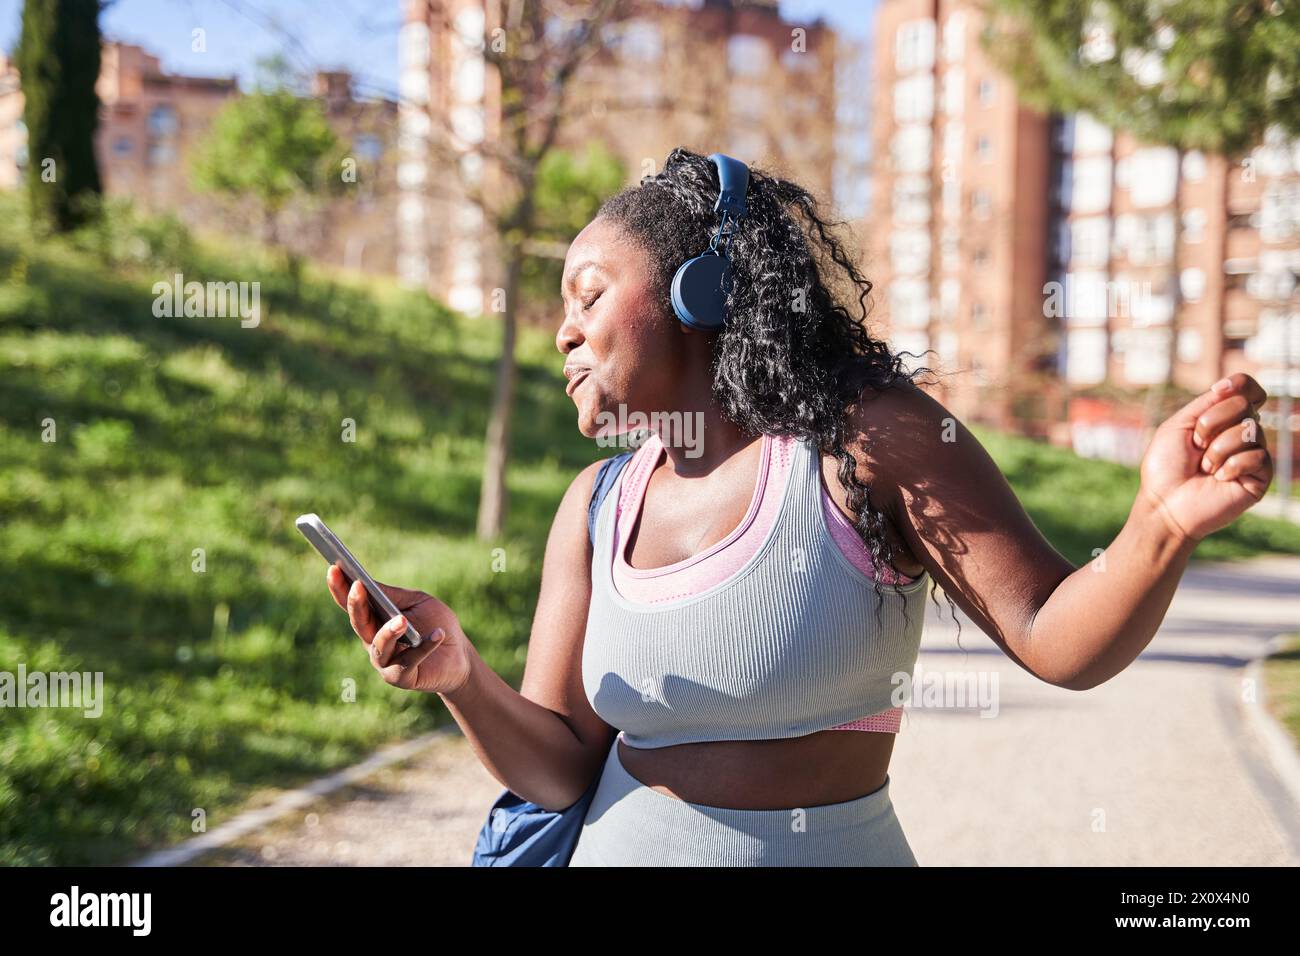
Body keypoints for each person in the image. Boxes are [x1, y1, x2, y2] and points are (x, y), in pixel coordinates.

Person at [325, 148, 1274, 866]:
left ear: (702, 291)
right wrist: (458, 675)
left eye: (590, 293)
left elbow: (1056, 636)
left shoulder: (866, 443)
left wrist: (1160, 524)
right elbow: (565, 767)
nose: (563, 330)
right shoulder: (594, 505)